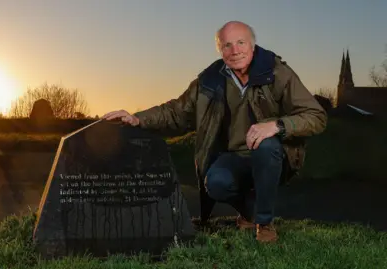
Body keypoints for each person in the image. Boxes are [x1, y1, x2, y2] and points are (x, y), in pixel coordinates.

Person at [102, 21, 327, 243]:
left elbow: (316, 116)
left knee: (266, 146)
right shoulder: (209, 79)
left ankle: (264, 223)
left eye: (241, 42)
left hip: (272, 154)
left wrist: (277, 125)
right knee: (216, 183)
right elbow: (176, 112)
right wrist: (136, 118)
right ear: (220, 50)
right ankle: (248, 213)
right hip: (232, 156)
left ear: (253, 44)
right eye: (227, 45)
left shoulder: (278, 73)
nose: (235, 50)